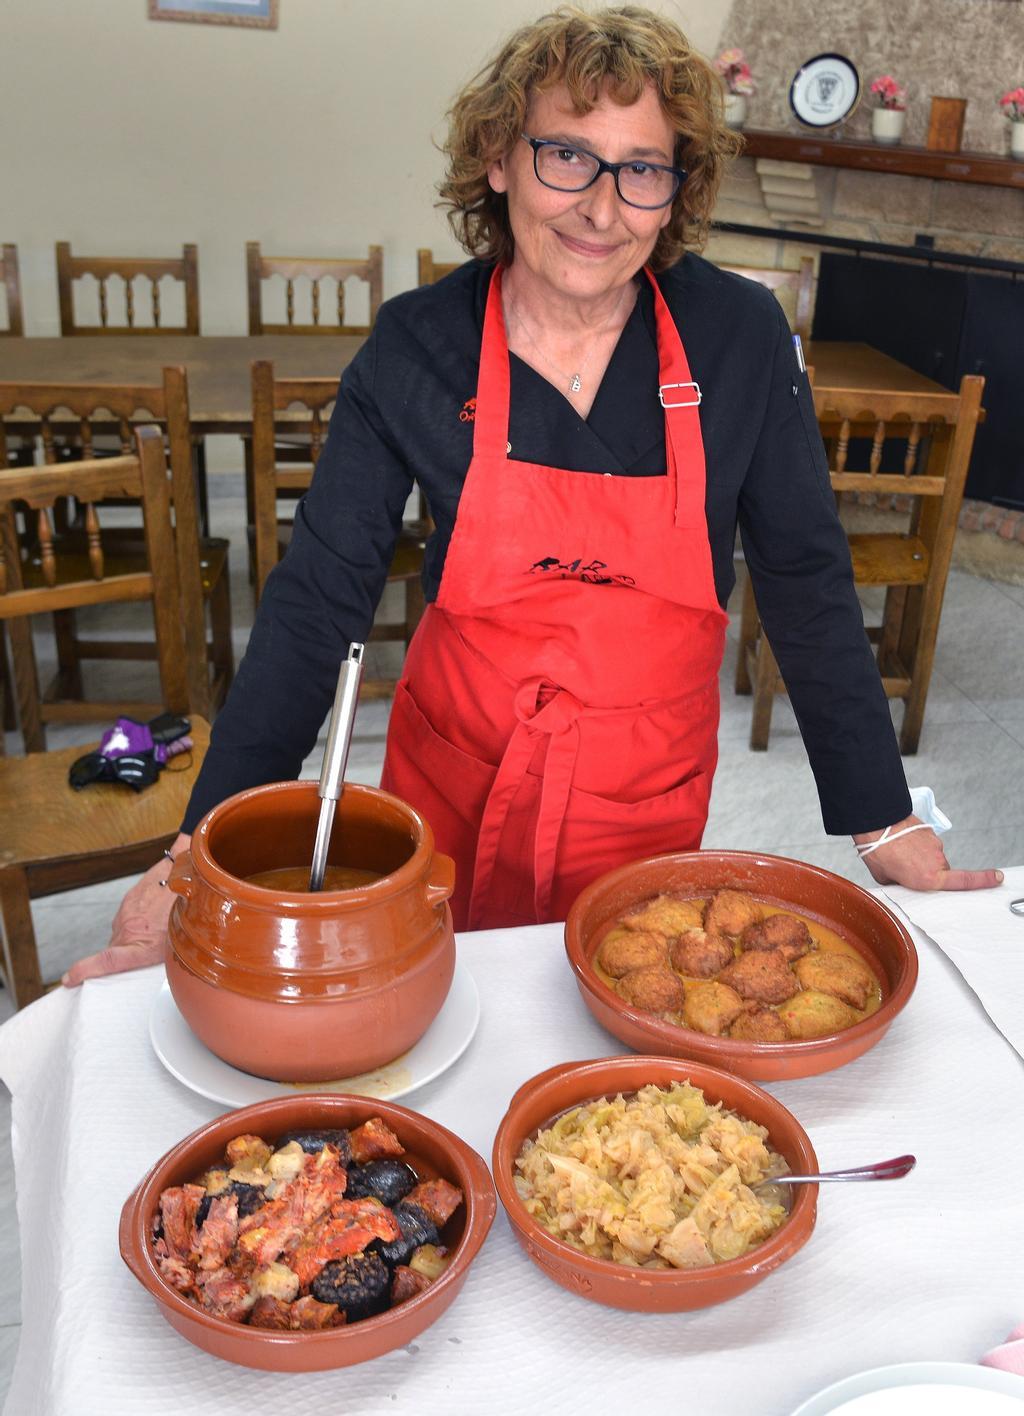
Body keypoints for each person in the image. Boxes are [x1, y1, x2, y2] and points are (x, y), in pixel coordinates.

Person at [65, 5, 1000, 986]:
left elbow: (804, 580)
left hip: (643, 805)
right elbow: (314, 609)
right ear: (499, 158)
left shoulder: (737, 340)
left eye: (641, 168)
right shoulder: (417, 346)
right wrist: (194, 860)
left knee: (616, 1050)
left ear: (673, 190)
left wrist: (881, 815)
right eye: (567, 157)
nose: (602, 209)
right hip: (453, 791)